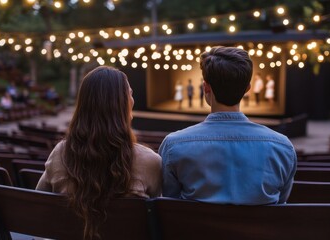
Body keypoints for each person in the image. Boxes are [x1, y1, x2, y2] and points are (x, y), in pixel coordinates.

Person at [36, 66, 162, 240]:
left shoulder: (60, 154)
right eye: (130, 94)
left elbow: (39, 202)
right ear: (123, 103)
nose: (133, 99)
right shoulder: (150, 161)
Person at [159, 46, 297, 205]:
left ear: (206, 87)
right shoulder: (283, 147)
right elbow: (281, 202)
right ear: (247, 89)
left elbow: (171, 203)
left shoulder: (173, 146)